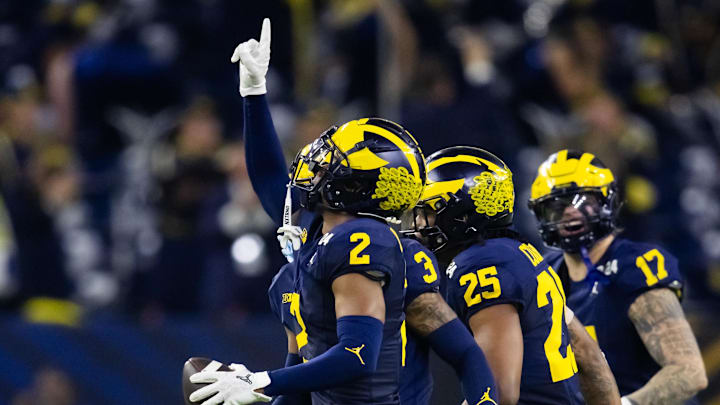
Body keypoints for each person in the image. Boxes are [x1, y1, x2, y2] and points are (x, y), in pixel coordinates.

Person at [231, 18, 498, 405]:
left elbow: (458, 352)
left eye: (331, 162)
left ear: (354, 186)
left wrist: (261, 382)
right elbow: (272, 182)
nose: (314, 163)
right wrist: (254, 92)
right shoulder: (312, 239)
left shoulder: (373, 247)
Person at [408, 146, 620, 405]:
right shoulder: (521, 254)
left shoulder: (480, 266)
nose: (418, 223)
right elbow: (590, 358)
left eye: (427, 211)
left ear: (461, 214)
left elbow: (496, 393)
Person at [528, 149, 708, 405]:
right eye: (556, 207)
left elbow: (689, 373)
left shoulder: (634, 266)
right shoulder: (545, 274)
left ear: (607, 202)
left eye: (583, 202)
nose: (570, 212)